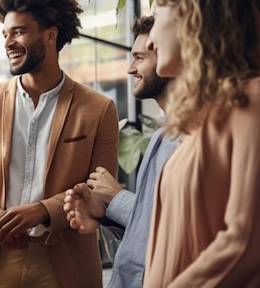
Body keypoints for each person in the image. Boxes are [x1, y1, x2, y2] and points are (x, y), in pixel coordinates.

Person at [143, 0, 260, 287]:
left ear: (193, 19)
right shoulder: (200, 127)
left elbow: (256, 247)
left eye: (157, 20)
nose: (149, 42)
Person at [0, 0, 120, 288]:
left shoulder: (98, 109)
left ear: (50, 35)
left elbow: (101, 189)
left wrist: (43, 211)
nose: (7, 42)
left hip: (64, 258)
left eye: (19, 31)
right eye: (5, 33)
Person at [63, 15, 178, 288]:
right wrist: (104, 212)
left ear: (171, 60)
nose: (130, 69)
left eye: (139, 58)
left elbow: (178, 230)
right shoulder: (163, 135)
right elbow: (147, 236)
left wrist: (115, 198)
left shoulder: (197, 138)